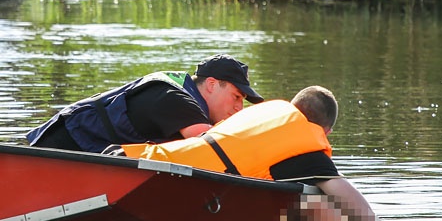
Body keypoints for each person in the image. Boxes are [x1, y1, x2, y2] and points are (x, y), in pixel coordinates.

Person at [115, 86, 385, 221]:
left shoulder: (258, 119)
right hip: (165, 181)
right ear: (325, 131)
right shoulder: (306, 152)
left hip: (135, 158)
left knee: (279, 213)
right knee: (317, 210)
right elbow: (364, 215)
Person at [26, 54, 264, 153]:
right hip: (65, 144)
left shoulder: (185, 94)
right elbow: (215, 147)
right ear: (212, 85)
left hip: (87, 149)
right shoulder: (178, 100)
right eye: (236, 97)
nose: (238, 109)